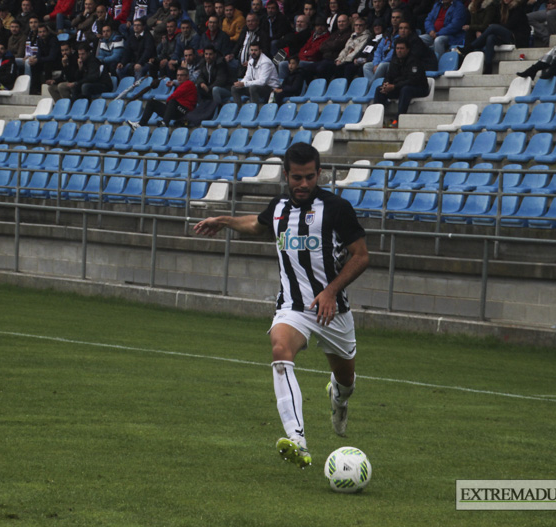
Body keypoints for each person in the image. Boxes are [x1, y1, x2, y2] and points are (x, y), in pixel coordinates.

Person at [193, 142, 370, 469]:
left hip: (333, 310)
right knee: (279, 350)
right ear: (286, 175)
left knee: (346, 382)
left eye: (309, 177)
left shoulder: (337, 208)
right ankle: (297, 440)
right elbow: (257, 226)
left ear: (319, 173)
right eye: (297, 177)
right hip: (293, 307)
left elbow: (361, 256)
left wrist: (331, 291)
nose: (303, 184)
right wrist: (225, 220)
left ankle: (338, 398)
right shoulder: (278, 207)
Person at [455, 0, 529, 74]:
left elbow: (510, 25)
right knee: (490, 37)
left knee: (493, 27)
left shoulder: (518, 8)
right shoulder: (500, 7)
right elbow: (495, 21)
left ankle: (470, 47)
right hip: (504, 35)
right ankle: (488, 66)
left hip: (516, 37)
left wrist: (496, 27)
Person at [375, 36, 430, 127]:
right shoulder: (394, 60)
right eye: (397, 48)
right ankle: (377, 119)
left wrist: (394, 86)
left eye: (402, 48)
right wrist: (386, 84)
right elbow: (389, 75)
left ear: (408, 49)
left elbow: (413, 80)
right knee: (379, 90)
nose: (399, 51)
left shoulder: (414, 61)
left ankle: (397, 120)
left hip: (419, 88)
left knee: (406, 89)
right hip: (400, 87)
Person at [129, 66, 197, 127]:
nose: (179, 77)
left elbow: (174, 95)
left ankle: (164, 123)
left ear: (187, 76)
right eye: (178, 75)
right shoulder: (180, 85)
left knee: (172, 101)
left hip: (185, 112)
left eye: (181, 75)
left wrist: (168, 103)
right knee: (152, 103)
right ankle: (141, 124)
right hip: (177, 110)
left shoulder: (189, 84)